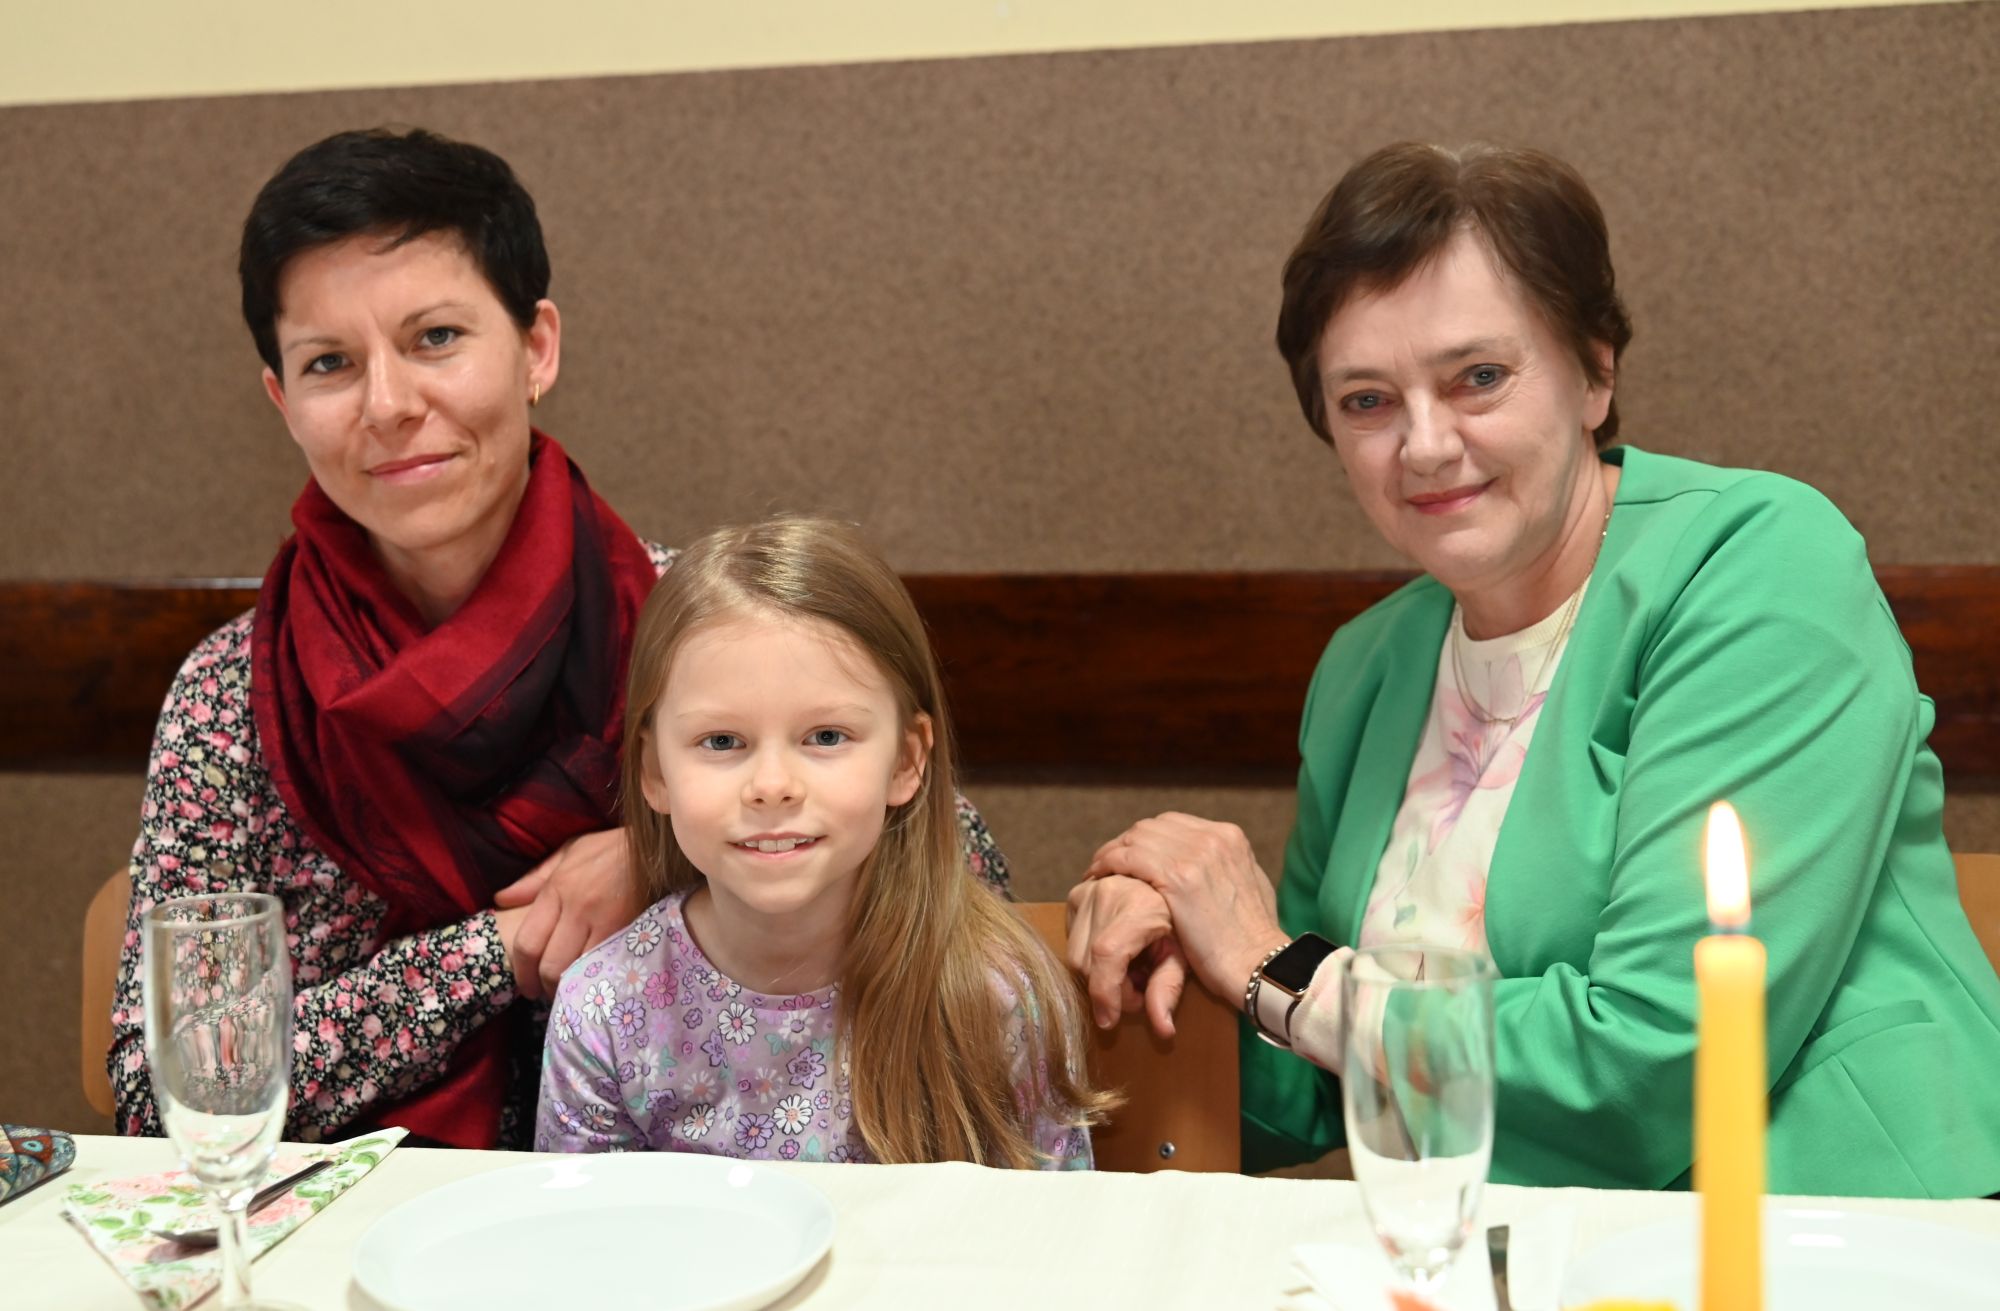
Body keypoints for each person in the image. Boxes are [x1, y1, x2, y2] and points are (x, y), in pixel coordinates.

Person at [1066, 141, 2000, 1197]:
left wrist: (1274, 968)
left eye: (1478, 378)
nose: (1424, 445)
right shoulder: (1366, 665)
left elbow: (1653, 1062)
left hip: (1837, 1232)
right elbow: (1319, 1082)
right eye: (1367, 400)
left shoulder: (1760, 564)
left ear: (1595, 372)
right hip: (1493, 1244)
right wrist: (1176, 949)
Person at [109, 128, 1010, 1150]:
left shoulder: (694, 620)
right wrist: (500, 949)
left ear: (536, 347)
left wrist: (668, 860)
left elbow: (959, 868)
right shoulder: (238, 691)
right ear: (283, 400)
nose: (389, 405)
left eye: (435, 338)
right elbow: (169, 1084)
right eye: (329, 364)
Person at [536, 517, 1106, 1165]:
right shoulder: (605, 1011)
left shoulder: (993, 996)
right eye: (722, 741)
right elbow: (588, 1227)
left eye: (827, 736)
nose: (772, 786)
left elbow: (1046, 1223)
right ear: (655, 772)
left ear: (906, 761)